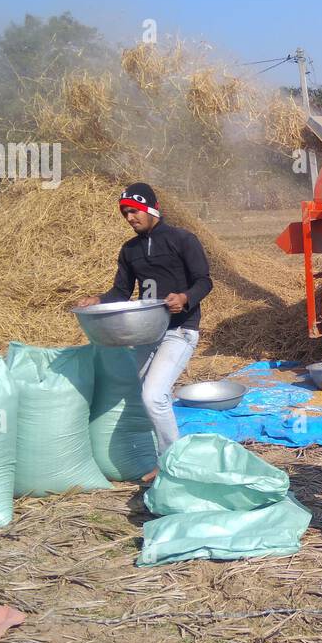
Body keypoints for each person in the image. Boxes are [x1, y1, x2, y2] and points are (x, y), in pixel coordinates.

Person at [75, 182, 212, 481]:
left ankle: (172, 465)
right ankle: (154, 450)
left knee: (153, 395)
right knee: (136, 388)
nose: (129, 218)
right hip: (146, 334)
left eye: (134, 211)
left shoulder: (182, 240)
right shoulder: (130, 250)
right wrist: (98, 300)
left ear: (151, 208)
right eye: (125, 213)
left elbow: (204, 281)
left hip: (180, 330)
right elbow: (121, 291)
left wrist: (185, 298)